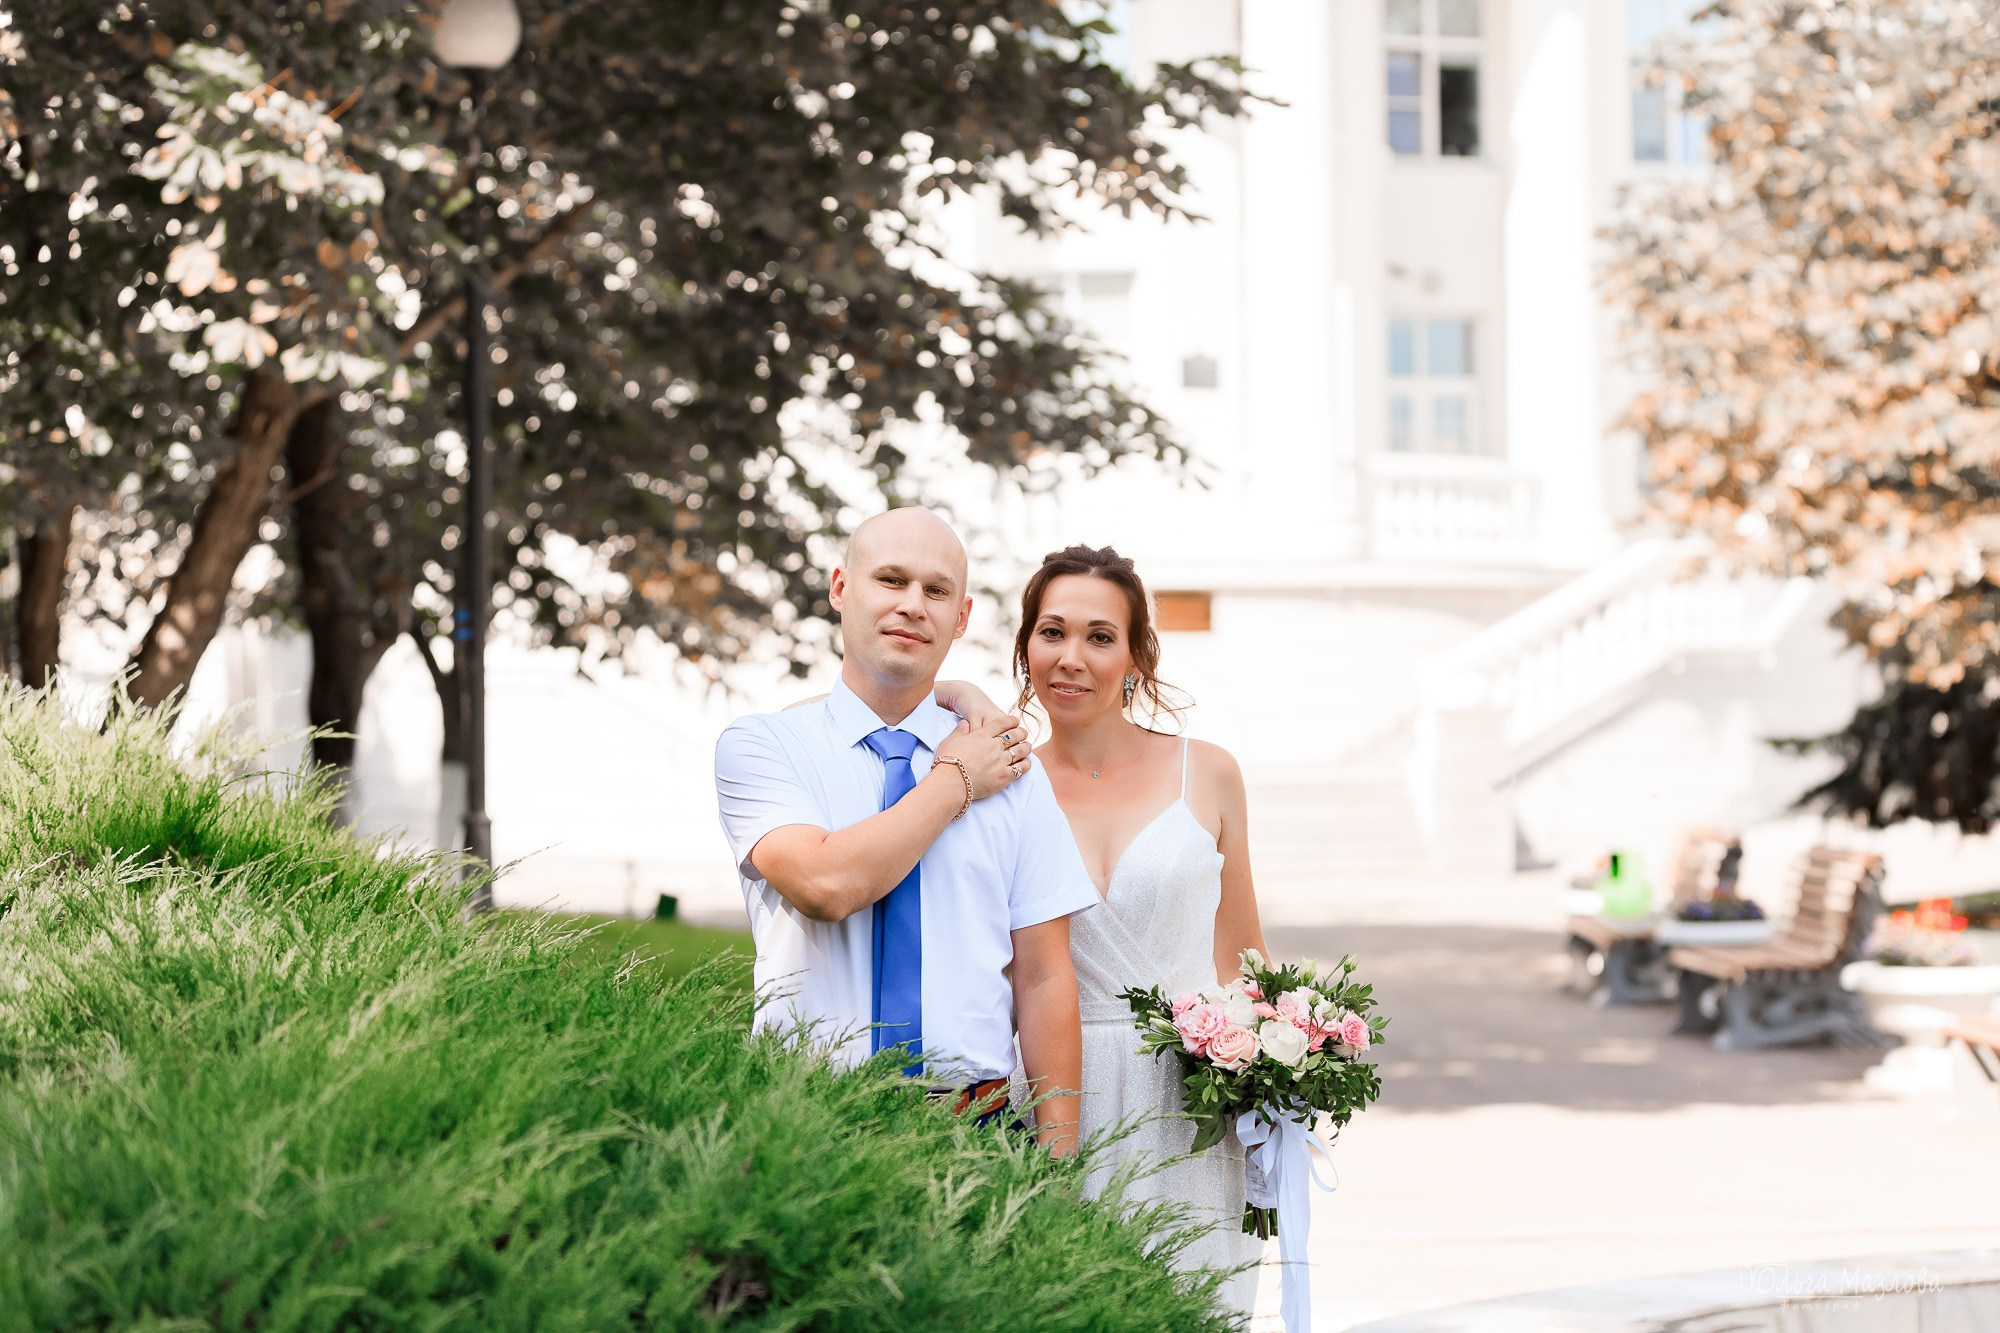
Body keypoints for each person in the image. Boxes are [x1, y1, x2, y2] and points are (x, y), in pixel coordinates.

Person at [936, 543, 1269, 1309]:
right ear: (1024, 646)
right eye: (1050, 632)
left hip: (1188, 1096)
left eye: (1099, 635)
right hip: (1054, 1090)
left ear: (1136, 653)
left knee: (1192, 1305)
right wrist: (958, 687)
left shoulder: (1209, 771)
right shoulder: (1001, 784)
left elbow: (1244, 955)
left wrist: (1276, 1065)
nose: (1071, 657)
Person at [712, 508, 1100, 1154]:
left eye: (936, 589)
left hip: (976, 1124)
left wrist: (1058, 1161)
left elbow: (1044, 977)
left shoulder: (1014, 771)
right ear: (841, 587)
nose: (912, 605)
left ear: (962, 616)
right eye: (891, 580)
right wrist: (956, 779)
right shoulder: (763, 748)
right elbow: (824, 882)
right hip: (804, 1115)